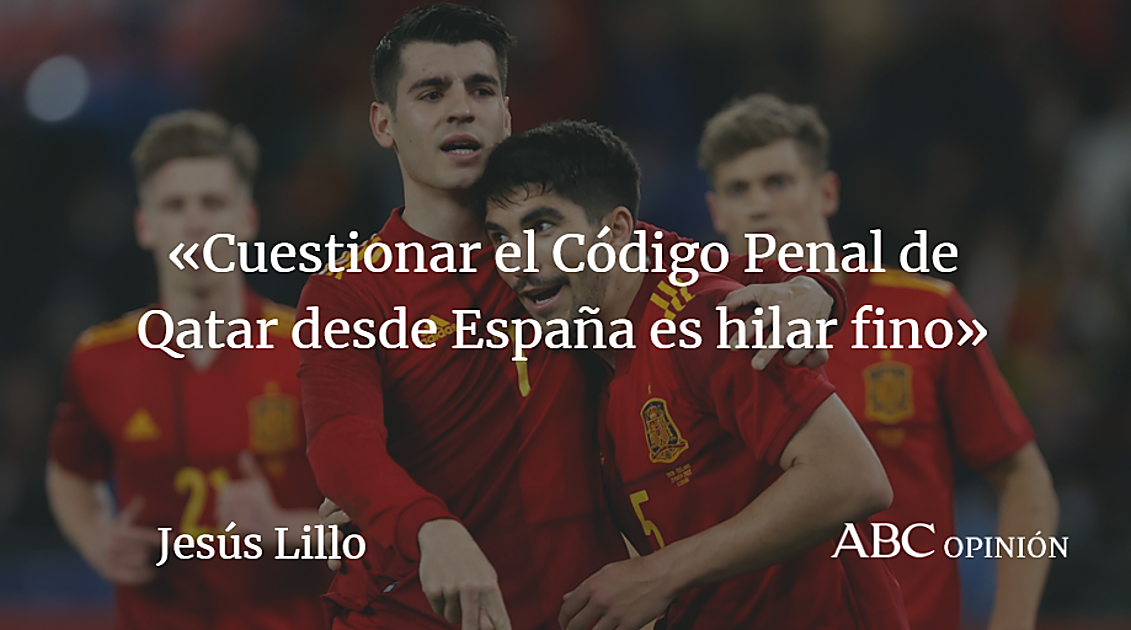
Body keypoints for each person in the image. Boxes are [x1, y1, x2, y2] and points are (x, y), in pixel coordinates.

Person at [297, 5, 849, 630]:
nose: (461, 109)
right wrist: (428, 527)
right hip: (411, 613)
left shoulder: (567, 248)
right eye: (431, 93)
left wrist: (817, 292)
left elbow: (742, 273)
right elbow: (341, 443)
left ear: (507, 116)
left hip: (575, 613)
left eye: (481, 89)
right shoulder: (347, 292)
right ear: (383, 124)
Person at [475, 119, 909, 630]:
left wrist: (658, 576)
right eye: (500, 237)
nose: (517, 262)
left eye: (542, 227)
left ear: (615, 231)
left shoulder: (702, 321)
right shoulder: (580, 354)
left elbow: (853, 478)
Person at [698, 93, 1059, 630]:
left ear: (827, 191)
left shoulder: (925, 309)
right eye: (738, 189)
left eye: (778, 182)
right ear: (715, 211)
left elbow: (1023, 476)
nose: (758, 206)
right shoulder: (694, 339)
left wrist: (1013, 622)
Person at [46, 111, 330, 629]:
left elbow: (380, 528)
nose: (195, 223)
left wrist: (283, 529)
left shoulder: (316, 350)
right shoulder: (99, 360)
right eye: (175, 205)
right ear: (144, 225)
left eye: (213, 203)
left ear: (248, 220)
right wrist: (98, 541)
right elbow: (68, 471)